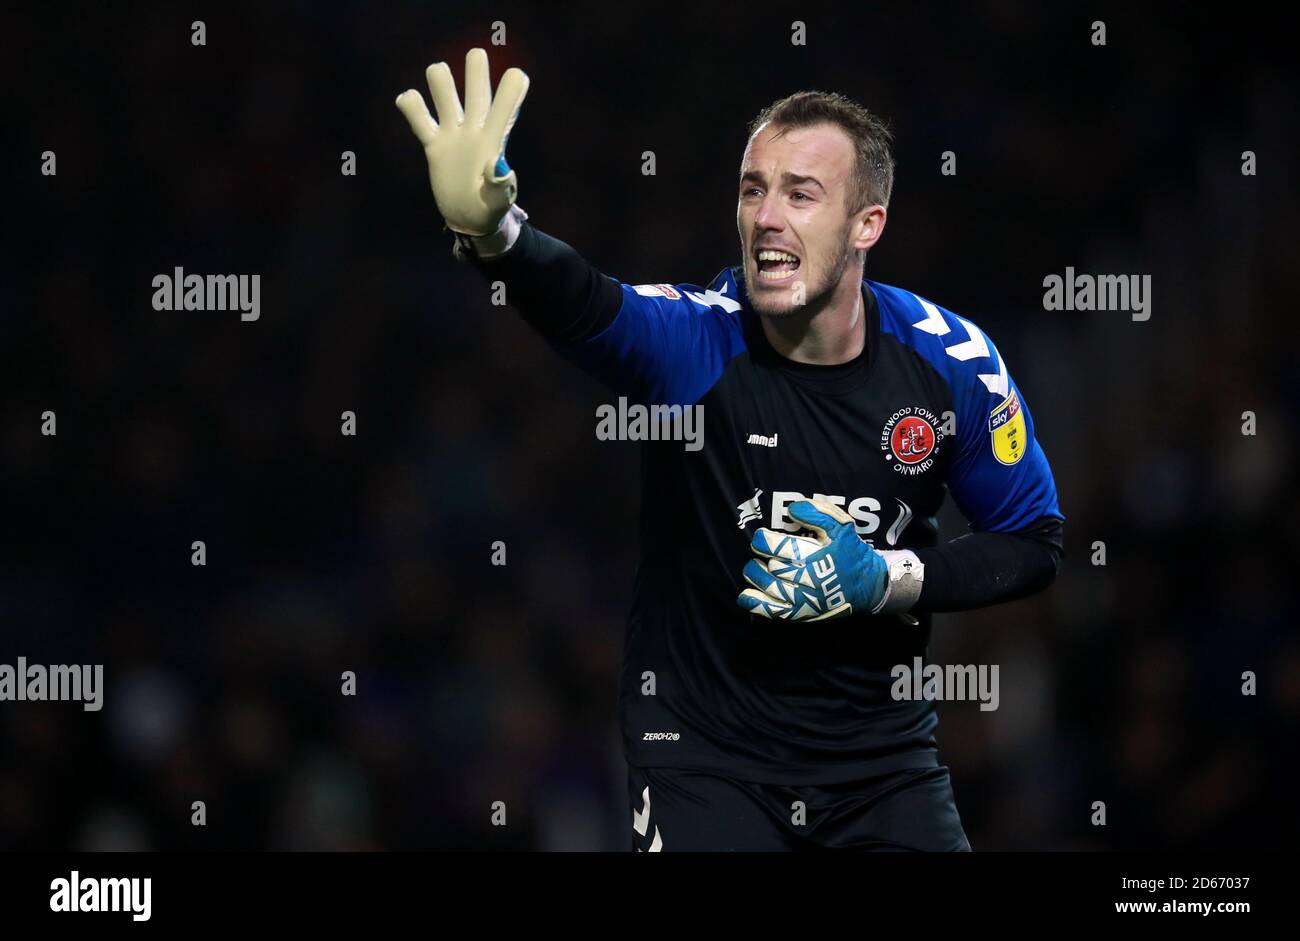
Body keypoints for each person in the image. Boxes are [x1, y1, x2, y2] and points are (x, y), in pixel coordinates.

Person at [397, 48, 1064, 851]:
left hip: (881, 764)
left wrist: (888, 578)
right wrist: (498, 234)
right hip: (705, 760)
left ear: (867, 224)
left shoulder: (951, 364)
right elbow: (586, 301)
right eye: (753, 189)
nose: (766, 216)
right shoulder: (698, 341)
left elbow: (1034, 541)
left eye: (800, 193)